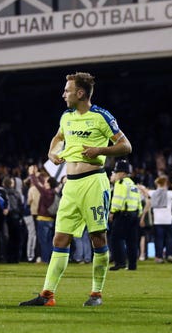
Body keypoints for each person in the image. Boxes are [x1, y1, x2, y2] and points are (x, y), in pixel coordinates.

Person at [20, 72, 131, 307]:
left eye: (67, 90)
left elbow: (125, 146)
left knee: (97, 237)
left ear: (80, 93)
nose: (63, 94)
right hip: (70, 185)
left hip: (94, 182)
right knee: (60, 238)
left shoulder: (102, 116)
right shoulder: (66, 117)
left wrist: (99, 151)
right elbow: (57, 137)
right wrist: (52, 152)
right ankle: (47, 295)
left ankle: (96, 294)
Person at [108, 159, 141, 271]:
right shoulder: (132, 184)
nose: (116, 175)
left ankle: (120, 262)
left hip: (123, 215)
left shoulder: (120, 183)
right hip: (134, 215)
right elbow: (138, 201)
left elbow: (118, 199)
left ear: (122, 173)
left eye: (117, 172)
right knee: (132, 241)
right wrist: (139, 213)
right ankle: (132, 265)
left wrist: (112, 212)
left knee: (115, 239)